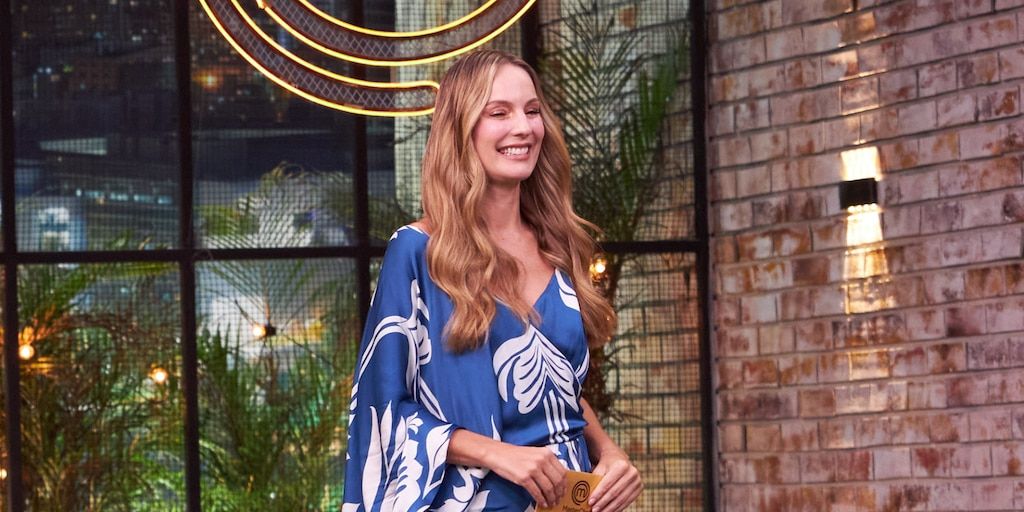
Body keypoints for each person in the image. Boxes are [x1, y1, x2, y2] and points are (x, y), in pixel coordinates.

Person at [342, 49, 642, 512]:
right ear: (461, 130)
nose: (523, 127)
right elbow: (380, 410)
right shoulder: (419, 251)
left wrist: (609, 452)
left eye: (532, 111)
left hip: (568, 501)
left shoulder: (559, 246)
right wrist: (496, 453)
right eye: (498, 113)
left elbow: (557, 387)